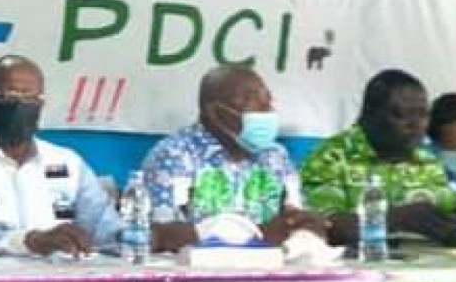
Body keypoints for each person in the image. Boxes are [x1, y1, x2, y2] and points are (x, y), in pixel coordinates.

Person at [0, 55, 189, 256]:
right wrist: (33, 241)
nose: (19, 105)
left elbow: (103, 229)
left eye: (30, 97)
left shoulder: (67, 162)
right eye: (8, 96)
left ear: (41, 105)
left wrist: (151, 237)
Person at [139, 66, 328, 247]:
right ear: (214, 112)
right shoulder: (174, 155)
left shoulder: (276, 156)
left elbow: (295, 214)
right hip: (195, 268)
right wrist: (258, 235)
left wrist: (303, 224)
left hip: (269, 265)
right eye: (250, 100)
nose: (266, 110)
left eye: (268, 101)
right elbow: (161, 235)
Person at [299, 69, 456, 246]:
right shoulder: (330, 157)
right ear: (369, 114)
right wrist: (397, 218)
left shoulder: (427, 160)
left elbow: (452, 210)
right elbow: (322, 228)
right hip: (361, 262)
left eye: (423, 114)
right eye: (401, 115)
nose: (416, 125)